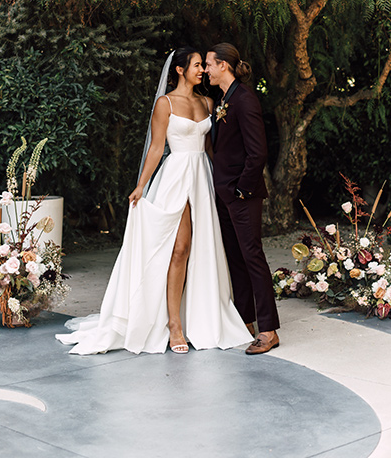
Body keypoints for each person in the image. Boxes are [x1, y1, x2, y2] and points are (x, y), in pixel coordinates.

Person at [56, 47, 251, 354]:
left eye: (203, 65)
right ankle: (174, 324)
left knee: (202, 249)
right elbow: (157, 148)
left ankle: (200, 317)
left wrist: (223, 181)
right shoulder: (165, 103)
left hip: (202, 177)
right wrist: (140, 186)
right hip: (175, 179)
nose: (202, 70)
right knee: (180, 248)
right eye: (197, 65)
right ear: (179, 69)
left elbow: (214, 149)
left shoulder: (208, 101)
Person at [205, 43, 280, 355]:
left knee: (253, 258)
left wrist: (242, 190)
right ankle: (245, 320)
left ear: (223, 65)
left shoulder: (245, 99)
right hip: (224, 192)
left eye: (208, 63)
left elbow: (258, 152)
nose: (205, 69)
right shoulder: (225, 98)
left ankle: (269, 329)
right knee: (235, 258)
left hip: (241, 194)